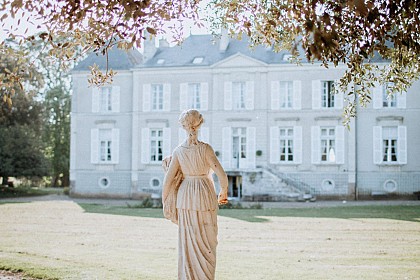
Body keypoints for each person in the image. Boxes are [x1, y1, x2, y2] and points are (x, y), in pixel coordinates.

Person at [162, 109, 228, 280]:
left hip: (186, 197)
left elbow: (168, 181)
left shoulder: (179, 151)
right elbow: (222, 175)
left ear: (184, 127)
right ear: (199, 125)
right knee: (208, 241)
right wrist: (223, 192)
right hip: (205, 194)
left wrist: (165, 202)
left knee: (188, 241)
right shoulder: (206, 149)